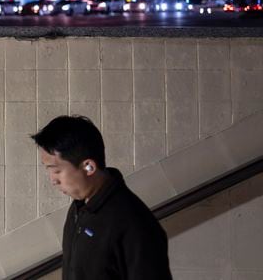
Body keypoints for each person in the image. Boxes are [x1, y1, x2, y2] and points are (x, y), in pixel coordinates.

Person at [31, 115, 172, 279]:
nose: (53, 180)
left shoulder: (134, 224)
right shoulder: (79, 207)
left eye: (56, 171)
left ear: (89, 167)